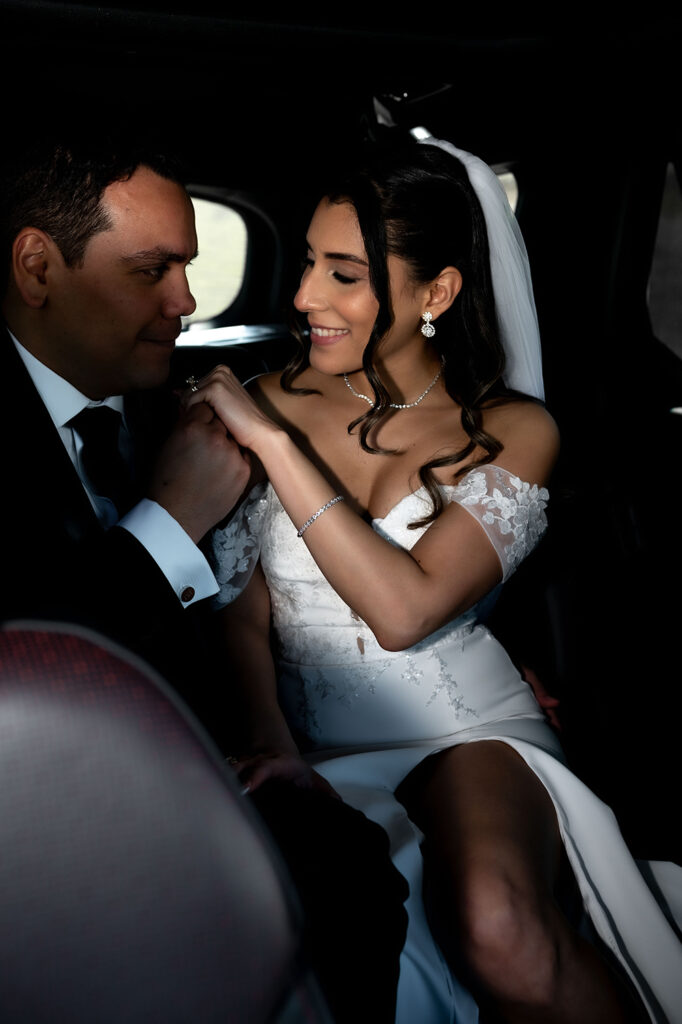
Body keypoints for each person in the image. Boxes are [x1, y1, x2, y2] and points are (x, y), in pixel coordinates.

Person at [186, 135, 682, 1023]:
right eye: (306, 263)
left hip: (467, 727)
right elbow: (240, 611)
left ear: (437, 293)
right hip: (313, 744)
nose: (302, 298)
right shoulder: (261, 396)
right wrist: (277, 750)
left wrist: (274, 448)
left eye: (345, 274)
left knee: (497, 926)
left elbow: (406, 612)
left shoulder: (515, 431)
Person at [0, 133, 408, 1024]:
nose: (186, 304)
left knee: (347, 875)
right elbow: (23, 661)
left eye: (188, 265)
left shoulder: (186, 401)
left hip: (228, 770)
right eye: (152, 271)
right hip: (33, 814)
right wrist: (167, 527)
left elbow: (280, 588)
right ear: (37, 268)